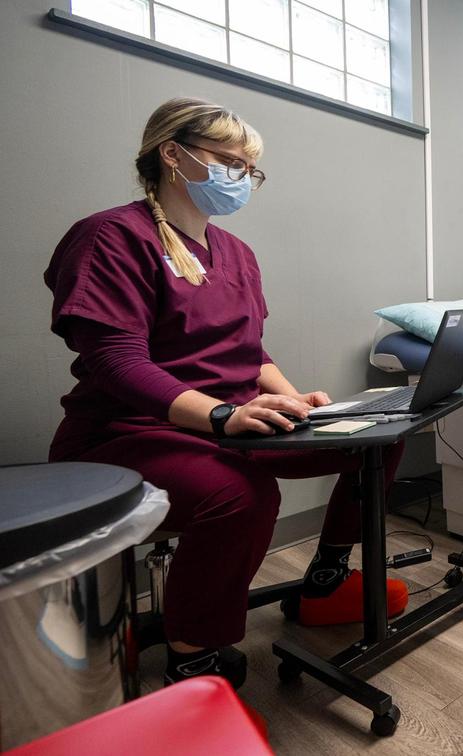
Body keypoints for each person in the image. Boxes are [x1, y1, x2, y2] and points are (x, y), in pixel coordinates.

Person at [44, 97, 408, 687]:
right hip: (130, 433)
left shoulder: (237, 254)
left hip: (233, 421)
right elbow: (114, 360)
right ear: (171, 154)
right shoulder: (110, 237)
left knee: (377, 439)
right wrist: (221, 415)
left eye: (248, 169)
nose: (238, 178)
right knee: (240, 496)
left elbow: (249, 353)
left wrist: (305, 405)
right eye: (225, 161)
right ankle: (192, 658)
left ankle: (328, 579)